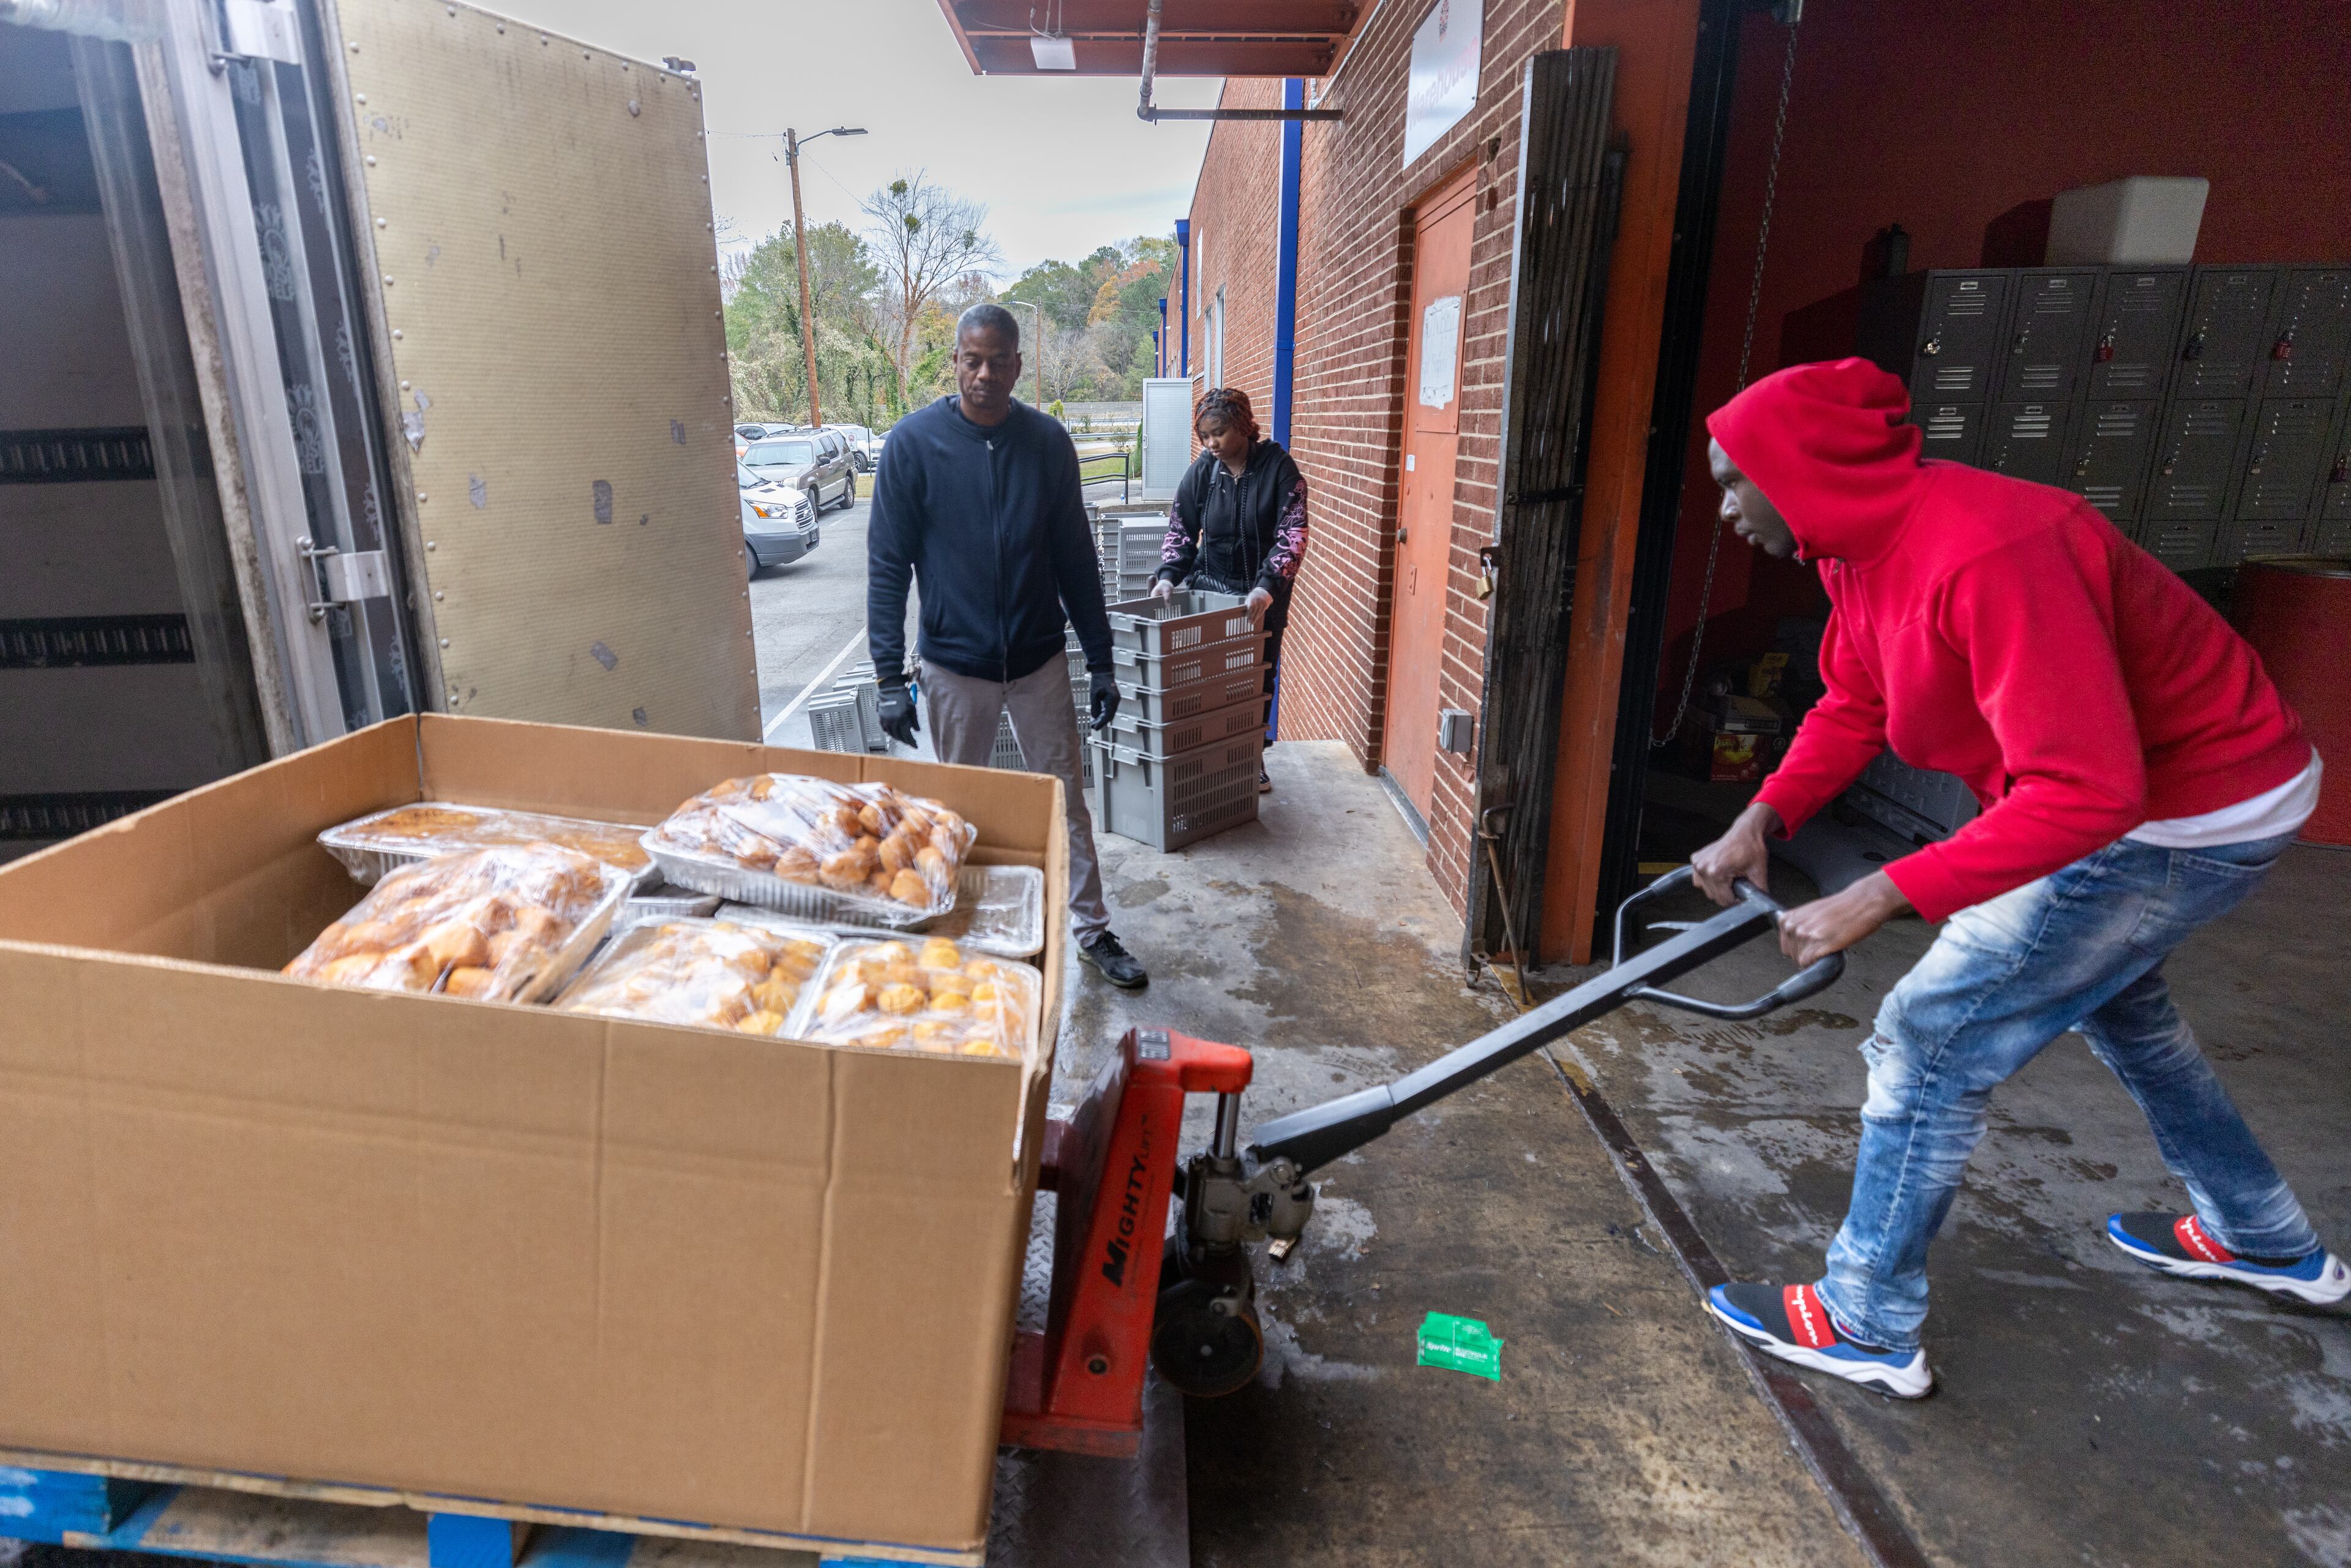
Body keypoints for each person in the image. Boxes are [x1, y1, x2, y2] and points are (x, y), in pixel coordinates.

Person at [1688, 358, 2342, 1400]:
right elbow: (1854, 702)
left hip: (2193, 810)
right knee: (2121, 1008)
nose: (1723, 507)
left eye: (1732, 480)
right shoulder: (1856, 550)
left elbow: (2089, 794)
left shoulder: (1993, 550)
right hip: (2154, 802)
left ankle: (1866, 1319)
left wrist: (1882, 890)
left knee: (1933, 1035)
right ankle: (2262, 1234)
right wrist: (1762, 818)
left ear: (1798, 468)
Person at [866, 302, 1147, 989]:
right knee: (954, 806)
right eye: (972, 359)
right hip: (954, 667)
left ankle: (1091, 927)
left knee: (1064, 797)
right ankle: (949, 923)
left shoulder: (1047, 444)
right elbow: (886, 564)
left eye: (999, 360)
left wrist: (1103, 660)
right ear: (954, 361)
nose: (984, 373)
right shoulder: (912, 445)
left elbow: (1076, 559)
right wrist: (886, 674)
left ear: (1020, 365)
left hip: (1038, 662)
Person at [1149, 387, 1310, 793]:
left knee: (1255, 681)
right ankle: (1205, 755)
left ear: (1242, 425)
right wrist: (1169, 574)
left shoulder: (1278, 468)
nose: (1211, 443)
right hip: (1211, 591)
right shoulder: (1203, 471)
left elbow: (1292, 533)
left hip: (1260, 599)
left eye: (1218, 432)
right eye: (1204, 436)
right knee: (1206, 680)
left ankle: (1249, 757)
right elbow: (1181, 528)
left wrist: (1267, 586)